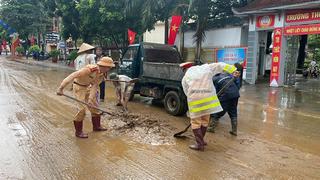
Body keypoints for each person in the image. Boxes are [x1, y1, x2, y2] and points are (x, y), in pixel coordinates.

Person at [181, 62, 239, 151]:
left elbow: (186, 91)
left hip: (195, 99)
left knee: (196, 122)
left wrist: (193, 98)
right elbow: (220, 65)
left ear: (185, 69)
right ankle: (202, 141)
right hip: (208, 98)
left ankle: (199, 144)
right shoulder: (206, 68)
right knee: (205, 120)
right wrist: (233, 70)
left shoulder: (185, 77)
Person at [56, 57, 115, 138]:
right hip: (78, 87)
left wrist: (90, 99)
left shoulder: (101, 75)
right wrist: (61, 88)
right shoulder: (90, 69)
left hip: (88, 87)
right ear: (103, 66)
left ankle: (97, 126)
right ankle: (78, 132)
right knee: (82, 109)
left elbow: (95, 86)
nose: (109, 69)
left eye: (110, 67)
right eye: (108, 67)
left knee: (94, 107)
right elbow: (73, 75)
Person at [207, 72, 241, 136]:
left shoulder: (214, 79)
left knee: (217, 111)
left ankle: (211, 127)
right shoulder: (226, 75)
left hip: (226, 95)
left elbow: (214, 91)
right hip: (235, 94)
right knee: (233, 111)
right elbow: (237, 85)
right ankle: (234, 131)